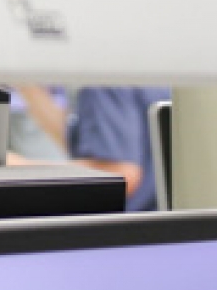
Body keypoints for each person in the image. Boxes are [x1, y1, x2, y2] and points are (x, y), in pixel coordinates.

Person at [67, 83, 171, 211]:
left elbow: (120, 175)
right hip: (163, 217)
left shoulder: (103, 83)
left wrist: (38, 171)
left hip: (131, 221)